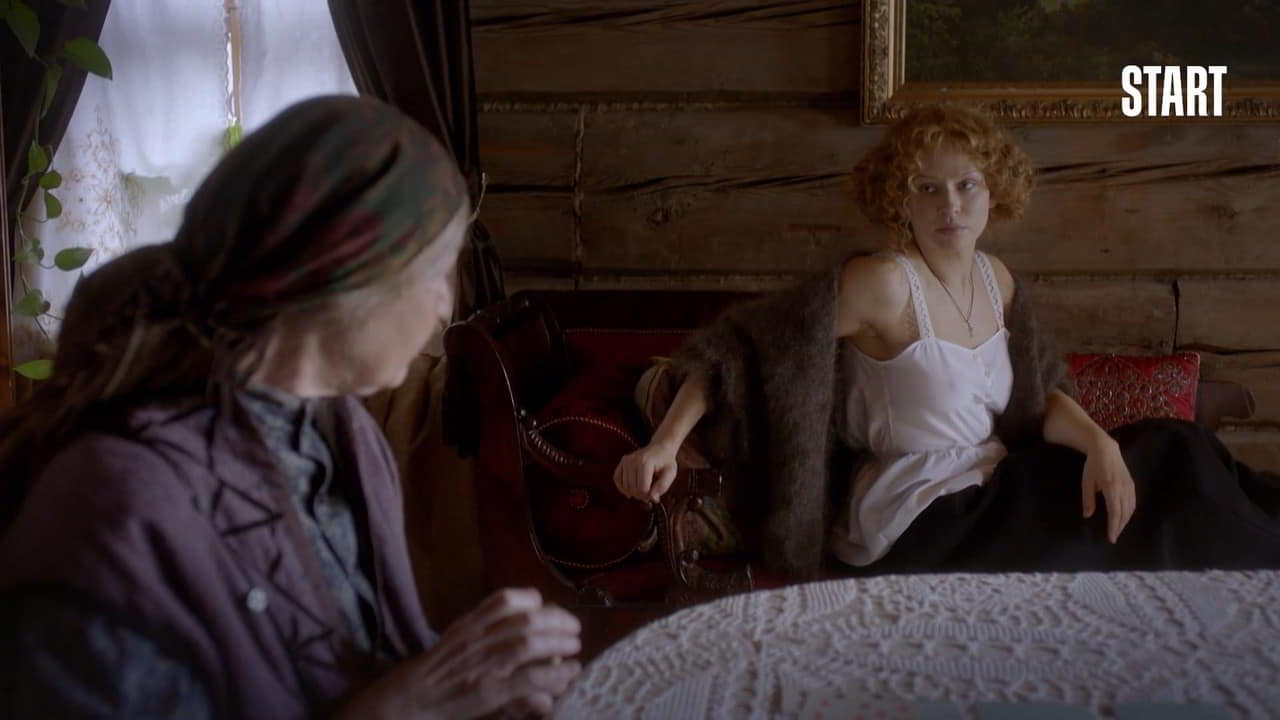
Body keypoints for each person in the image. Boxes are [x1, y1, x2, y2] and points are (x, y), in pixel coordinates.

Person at [0, 96, 580, 719]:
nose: (445, 306)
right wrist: (404, 708)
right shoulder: (114, 504)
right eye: (438, 273)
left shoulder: (344, 431)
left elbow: (354, 667)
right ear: (347, 275)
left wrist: (479, 688)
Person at [614, 103, 1280, 579]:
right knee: (1172, 467)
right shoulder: (880, 282)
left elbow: (1040, 394)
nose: (950, 205)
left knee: (1177, 446)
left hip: (996, 485)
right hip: (923, 517)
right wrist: (664, 445)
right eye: (927, 189)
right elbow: (737, 351)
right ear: (898, 200)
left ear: (995, 194)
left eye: (967, 185)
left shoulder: (998, 280)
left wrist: (1100, 444)